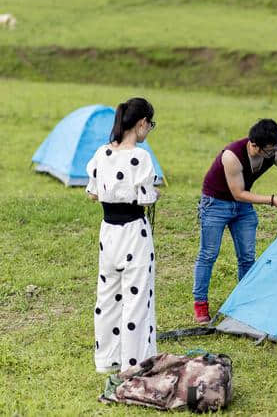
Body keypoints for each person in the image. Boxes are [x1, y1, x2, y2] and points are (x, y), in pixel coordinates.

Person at [193, 118, 277, 324]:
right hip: (216, 204)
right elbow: (238, 193)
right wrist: (272, 200)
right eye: (270, 150)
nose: (274, 153)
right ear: (254, 145)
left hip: (242, 206)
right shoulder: (232, 157)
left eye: (276, 148)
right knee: (208, 254)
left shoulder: (273, 150)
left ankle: (244, 304)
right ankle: (200, 304)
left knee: (247, 256)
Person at [86, 97, 159, 373]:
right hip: (133, 234)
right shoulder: (140, 157)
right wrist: (153, 194)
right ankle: (136, 362)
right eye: (150, 125)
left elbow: (93, 193)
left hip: (108, 234)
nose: (149, 130)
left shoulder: (101, 153)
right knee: (137, 297)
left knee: (107, 296)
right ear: (141, 123)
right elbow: (147, 198)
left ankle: (106, 360)